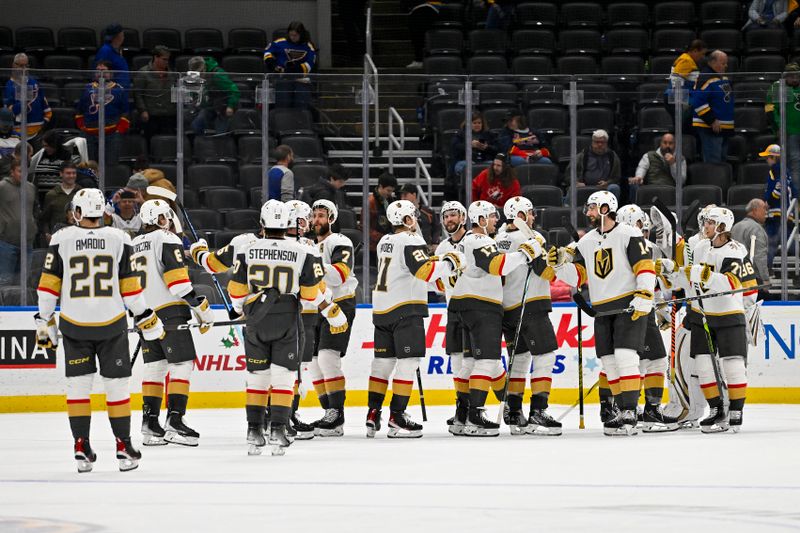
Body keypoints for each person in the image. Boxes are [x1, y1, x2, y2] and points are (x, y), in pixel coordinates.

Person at [34, 188, 166, 472]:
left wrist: (44, 322)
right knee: (116, 387)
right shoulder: (119, 238)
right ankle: (123, 447)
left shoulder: (61, 238)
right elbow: (131, 289)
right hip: (111, 324)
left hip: (74, 324)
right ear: (103, 211)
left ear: (78, 212)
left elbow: (47, 287)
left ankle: (80, 445)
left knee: (78, 388)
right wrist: (146, 317)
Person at [228, 200, 346, 456]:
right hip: (287, 318)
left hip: (256, 319)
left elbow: (236, 293)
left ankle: (254, 431)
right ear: (288, 224)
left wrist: (241, 309)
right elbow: (310, 294)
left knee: (258, 378)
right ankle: (279, 430)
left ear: (262, 223)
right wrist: (332, 312)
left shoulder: (247, 249)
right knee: (283, 377)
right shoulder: (304, 250)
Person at [548, 191, 656, 436]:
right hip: (602, 309)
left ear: (606, 208)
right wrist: (558, 265)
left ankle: (630, 410)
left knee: (625, 356)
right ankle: (620, 409)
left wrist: (645, 293)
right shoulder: (585, 242)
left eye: (592, 208)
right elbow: (577, 277)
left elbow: (645, 265)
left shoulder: (629, 234)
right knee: (609, 361)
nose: (588, 213)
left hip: (628, 304)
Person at [657, 207, 760, 433]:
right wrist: (670, 274)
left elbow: (733, 284)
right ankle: (715, 410)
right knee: (704, 366)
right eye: (706, 222)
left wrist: (706, 276)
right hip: (704, 317)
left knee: (732, 366)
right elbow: (688, 278)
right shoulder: (701, 247)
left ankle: (735, 411)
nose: (705, 226)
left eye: (710, 223)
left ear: (723, 227)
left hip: (729, 316)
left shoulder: (736, 250)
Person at [367, 200, 463, 438]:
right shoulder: (411, 240)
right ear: (408, 220)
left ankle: (372, 412)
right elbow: (424, 271)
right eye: (414, 218)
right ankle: (397, 416)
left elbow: (408, 270)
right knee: (408, 363)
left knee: (382, 363)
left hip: (381, 309)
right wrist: (451, 262)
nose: (417, 222)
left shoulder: (384, 241)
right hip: (405, 308)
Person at [449, 200, 541, 436]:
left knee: (470, 363)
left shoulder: (466, 241)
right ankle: (475, 416)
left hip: (463, 305)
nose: (495, 220)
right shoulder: (479, 240)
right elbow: (497, 266)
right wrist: (525, 252)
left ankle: (463, 414)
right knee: (487, 361)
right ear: (480, 220)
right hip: (481, 306)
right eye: (490, 217)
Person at [132, 199, 212, 447]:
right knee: (182, 364)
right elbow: (177, 282)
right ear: (160, 220)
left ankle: (150, 424)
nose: (169, 222)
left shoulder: (133, 244)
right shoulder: (166, 238)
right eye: (166, 217)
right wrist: (198, 306)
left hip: (144, 313)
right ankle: (175, 422)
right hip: (169, 312)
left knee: (155, 367)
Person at [494, 196, 562, 436]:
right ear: (521, 216)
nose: (534, 217)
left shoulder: (498, 238)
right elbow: (545, 273)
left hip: (507, 309)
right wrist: (557, 264)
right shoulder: (532, 238)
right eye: (530, 213)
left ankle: (514, 411)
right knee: (545, 356)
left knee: (519, 358)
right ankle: (538, 411)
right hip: (531, 305)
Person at [615, 204, 680, 432]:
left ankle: (646, 410)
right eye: (639, 226)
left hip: (646, 310)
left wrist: (661, 307)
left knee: (653, 360)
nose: (643, 231)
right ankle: (633, 409)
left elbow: (656, 285)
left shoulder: (650, 247)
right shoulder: (621, 244)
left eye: (644, 226)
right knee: (643, 362)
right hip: (633, 310)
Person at [308, 199, 358, 436]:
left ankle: (336, 414)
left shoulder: (340, 241)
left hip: (341, 304)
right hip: (317, 305)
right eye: (314, 215)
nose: (316, 220)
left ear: (331, 218)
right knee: (315, 363)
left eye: (321, 215)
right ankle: (329, 414)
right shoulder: (309, 245)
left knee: (328, 358)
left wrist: (309, 261)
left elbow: (339, 276)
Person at [284, 200, 322, 439]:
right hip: (299, 313)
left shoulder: (270, 242)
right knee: (292, 368)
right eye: (306, 218)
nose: (309, 223)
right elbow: (316, 285)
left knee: (289, 368)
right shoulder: (306, 247)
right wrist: (329, 308)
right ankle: (285, 415)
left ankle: (283, 414)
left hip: (283, 313)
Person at [431, 201, 470, 434]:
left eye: (454, 215)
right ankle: (461, 407)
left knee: (474, 363)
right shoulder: (442, 248)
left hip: (474, 309)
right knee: (457, 362)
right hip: (452, 310)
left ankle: (472, 406)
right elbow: (437, 282)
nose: (449, 220)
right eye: (446, 217)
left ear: (463, 217)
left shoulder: (473, 242)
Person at [75, 61, 130, 165]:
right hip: (89, 133)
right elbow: (80, 110)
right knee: (89, 165)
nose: (100, 73)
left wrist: (119, 131)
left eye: (104, 71)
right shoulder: (87, 88)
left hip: (111, 134)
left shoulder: (119, 90)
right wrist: (82, 127)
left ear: (111, 73)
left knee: (110, 165)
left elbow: (125, 112)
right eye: (98, 71)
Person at [692, 50, 734, 163]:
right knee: (713, 163)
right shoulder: (705, 77)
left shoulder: (723, 77)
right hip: (710, 127)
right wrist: (712, 120)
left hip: (724, 127)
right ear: (713, 62)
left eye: (726, 63)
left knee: (722, 162)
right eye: (723, 63)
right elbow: (697, 101)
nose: (726, 66)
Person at [264, 21, 317, 109]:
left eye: (295, 35)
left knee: (301, 103)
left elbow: (309, 64)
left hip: (301, 81)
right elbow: (267, 52)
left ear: (301, 34)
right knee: (283, 103)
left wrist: (291, 70)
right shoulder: (280, 42)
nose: (292, 37)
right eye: (291, 35)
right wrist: (272, 64)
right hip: (282, 80)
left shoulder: (308, 46)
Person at [0, 159, 37, 284]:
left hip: (28, 243)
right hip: (6, 242)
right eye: (20, 171)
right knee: (5, 281)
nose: (23, 174)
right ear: (12, 172)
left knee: (23, 282)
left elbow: (34, 210)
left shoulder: (31, 187)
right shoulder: (2, 187)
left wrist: (33, 227)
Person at [761, 144, 798, 268]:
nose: (767, 160)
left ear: (773, 157)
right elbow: (795, 192)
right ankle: (769, 268)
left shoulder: (777, 169)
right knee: (787, 241)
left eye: (768, 157)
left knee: (771, 242)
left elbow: (780, 187)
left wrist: (769, 201)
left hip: (777, 213)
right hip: (785, 214)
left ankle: (767, 269)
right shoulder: (786, 171)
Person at [187, 56, 240, 136]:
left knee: (221, 134)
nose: (200, 76)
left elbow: (234, 90)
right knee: (196, 126)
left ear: (204, 67)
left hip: (224, 106)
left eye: (201, 72)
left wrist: (230, 106)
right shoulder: (195, 76)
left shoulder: (217, 74)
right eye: (197, 74)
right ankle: (204, 145)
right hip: (210, 106)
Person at [3, 53, 52, 140]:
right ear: (14, 65)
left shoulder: (34, 82)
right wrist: (23, 103)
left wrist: (45, 119)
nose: (24, 69)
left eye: (26, 65)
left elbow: (43, 102)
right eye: (21, 66)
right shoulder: (9, 86)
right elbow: (8, 111)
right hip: (17, 133)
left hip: (37, 130)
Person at [566, 129, 622, 202]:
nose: (599, 145)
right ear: (592, 142)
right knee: (572, 188)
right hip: (584, 187)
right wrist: (576, 182)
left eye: (602, 142)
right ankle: (568, 210)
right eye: (597, 142)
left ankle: (611, 211)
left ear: (606, 143)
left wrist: (607, 183)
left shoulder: (613, 156)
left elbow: (616, 177)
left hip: (604, 188)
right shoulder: (582, 156)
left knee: (614, 187)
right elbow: (568, 175)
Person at [766, 63, 800, 181]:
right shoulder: (778, 87)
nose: (795, 79)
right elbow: (770, 109)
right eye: (791, 76)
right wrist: (778, 127)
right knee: (794, 160)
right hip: (789, 131)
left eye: (797, 76)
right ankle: (795, 196)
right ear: (784, 76)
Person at [628, 133, 687, 201]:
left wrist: (673, 164)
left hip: (670, 193)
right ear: (660, 143)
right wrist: (639, 177)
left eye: (670, 143)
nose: (667, 145)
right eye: (665, 143)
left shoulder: (680, 159)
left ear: (675, 145)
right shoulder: (649, 155)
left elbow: (681, 181)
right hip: (652, 190)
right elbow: (641, 169)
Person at [134, 45, 176, 139]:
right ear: (155, 57)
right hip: (151, 114)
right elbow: (138, 94)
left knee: (167, 142)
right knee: (150, 141)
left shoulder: (172, 74)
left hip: (168, 114)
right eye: (164, 59)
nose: (166, 62)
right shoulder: (143, 73)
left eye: (168, 60)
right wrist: (143, 110)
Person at [664, 39, 707, 127]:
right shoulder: (686, 60)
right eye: (702, 53)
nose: (703, 57)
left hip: (679, 98)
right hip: (677, 99)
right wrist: (684, 104)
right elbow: (676, 82)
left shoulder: (688, 59)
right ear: (695, 51)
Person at [732, 198, 771, 285]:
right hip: (752, 279)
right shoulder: (757, 229)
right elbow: (759, 257)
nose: (766, 212)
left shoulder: (735, 227)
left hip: (735, 277)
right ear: (755, 210)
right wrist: (765, 278)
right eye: (764, 208)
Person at [40, 162, 81, 242]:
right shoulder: (52, 195)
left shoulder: (82, 193)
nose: (71, 176)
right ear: (61, 174)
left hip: (78, 239)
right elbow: (44, 219)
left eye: (74, 173)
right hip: (57, 239)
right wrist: (46, 233)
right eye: (68, 173)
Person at [32, 130, 82, 194]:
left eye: (48, 146)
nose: (45, 148)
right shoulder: (40, 157)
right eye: (44, 146)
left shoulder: (68, 158)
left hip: (60, 196)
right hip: (42, 197)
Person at [451, 112, 497, 178]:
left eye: (479, 123)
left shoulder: (489, 134)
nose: (477, 125)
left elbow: (496, 148)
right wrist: (469, 145)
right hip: (466, 161)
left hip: (484, 161)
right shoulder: (461, 134)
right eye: (474, 123)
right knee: (461, 166)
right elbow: (455, 147)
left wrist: (487, 147)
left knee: (494, 166)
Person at [398, 183, 440, 249]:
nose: (402, 198)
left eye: (405, 195)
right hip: (408, 248)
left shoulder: (428, 212)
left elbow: (436, 228)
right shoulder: (399, 213)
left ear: (414, 195)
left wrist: (435, 243)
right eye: (401, 195)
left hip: (427, 248)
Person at [404, 1, 440, 69]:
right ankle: (419, 58)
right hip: (421, 8)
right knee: (416, 19)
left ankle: (421, 59)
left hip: (435, 7)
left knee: (421, 15)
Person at [368, 172, 397, 256]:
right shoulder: (370, 202)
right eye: (388, 190)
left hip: (388, 243)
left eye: (392, 191)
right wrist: (383, 237)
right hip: (374, 247)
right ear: (380, 186)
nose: (390, 193)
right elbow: (365, 228)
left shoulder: (390, 200)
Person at [94, 24, 131, 90]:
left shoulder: (118, 50)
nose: (123, 37)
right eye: (122, 35)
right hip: (112, 92)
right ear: (118, 36)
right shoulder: (105, 51)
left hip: (122, 91)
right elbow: (101, 74)